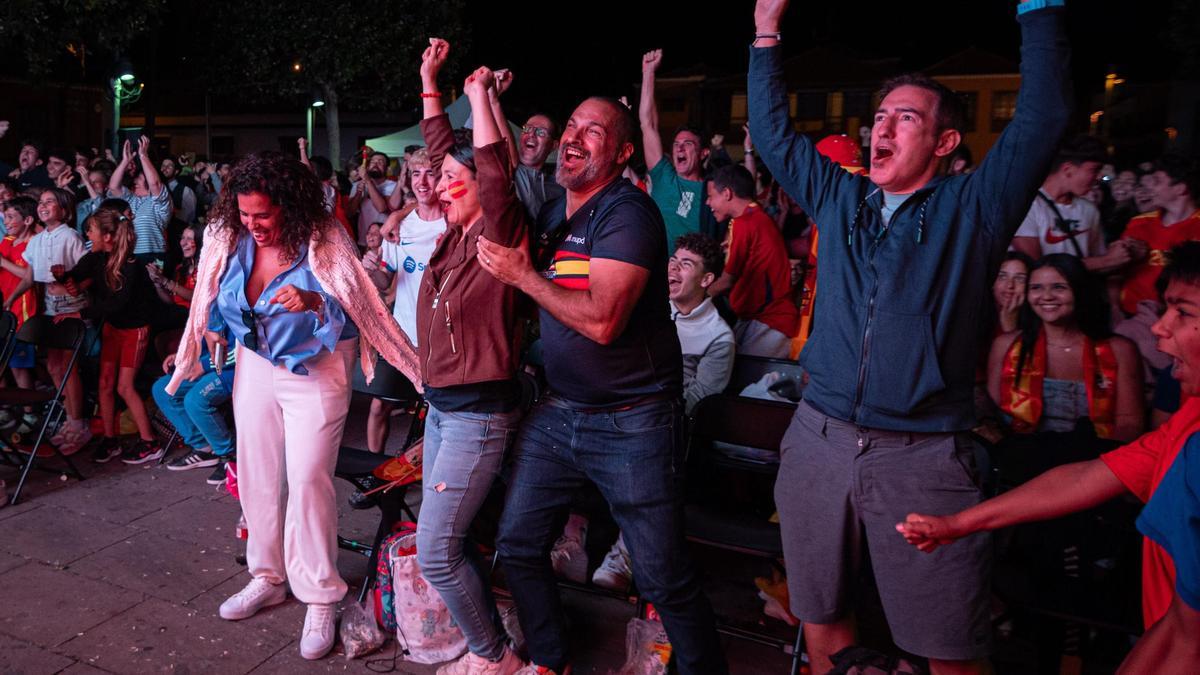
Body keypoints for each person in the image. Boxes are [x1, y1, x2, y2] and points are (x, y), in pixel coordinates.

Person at [747, 0, 1072, 671]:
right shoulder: (841, 198)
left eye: (906, 118)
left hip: (921, 455)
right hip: (820, 437)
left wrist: (1040, 13)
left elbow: (1042, 119)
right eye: (881, 116)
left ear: (945, 143)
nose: (882, 128)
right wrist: (766, 32)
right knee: (823, 616)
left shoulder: (971, 208)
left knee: (946, 645)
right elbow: (774, 138)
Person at [478, 92, 728, 672]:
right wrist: (482, 98)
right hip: (564, 410)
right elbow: (497, 176)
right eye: (571, 125)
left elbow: (603, 320)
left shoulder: (628, 213)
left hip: (634, 418)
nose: (574, 136)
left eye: (592, 131)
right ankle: (550, 656)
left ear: (619, 152)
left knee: (663, 577)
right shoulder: (553, 214)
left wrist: (525, 279)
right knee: (516, 544)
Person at [163, 151, 420, 661]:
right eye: (245, 213)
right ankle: (268, 576)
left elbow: (358, 308)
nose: (253, 225)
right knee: (257, 471)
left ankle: (321, 594)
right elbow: (212, 290)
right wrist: (208, 326)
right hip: (257, 363)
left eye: (264, 214)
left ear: (291, 206)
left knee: (306, 477)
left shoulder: (323, 239)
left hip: (318, 365)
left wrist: (315, 303)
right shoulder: (228, 235)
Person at [898, 241, 1200, 673]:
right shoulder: (1189, 419)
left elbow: (1187, 640)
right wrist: (958, 524)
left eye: (1183, 312)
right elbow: (1084, 478)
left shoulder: (1118, 354)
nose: (1158, 327)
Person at [409, 41, 528, 674]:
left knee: (435, 551)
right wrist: (430, 80)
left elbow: (488, 165)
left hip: (478, 415)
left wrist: (480, 98)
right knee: (452, 543)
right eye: (443, 177)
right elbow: (443, 153)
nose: (445, 182)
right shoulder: (457, 229)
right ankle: (486, 636)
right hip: (444, 411)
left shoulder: (499, 229)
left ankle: (495, 658)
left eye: (461, 179)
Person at [587, 232, 738, 594]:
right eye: (674, 260)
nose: (673, 268)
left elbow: (703, 398)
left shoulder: (719, 336)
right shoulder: (649, 307)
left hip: (668, 425)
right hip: (622, 405)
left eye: (686, 264)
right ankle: (575, 539)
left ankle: (624, 555)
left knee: (648, 458)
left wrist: (647, 407)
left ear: (706, 280)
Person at [988, 254, 1143, 443]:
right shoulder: (1006, 346)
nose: (1046, 296)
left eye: (1059, 287)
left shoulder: (1120, 350)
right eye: (1036, 288)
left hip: (1094, 459)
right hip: (1023, 454)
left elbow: (1129, 424)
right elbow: (992, 417)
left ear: (1080, 291)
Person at [58, 210, 164, 464]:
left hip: (134, 330)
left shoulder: (131, 266)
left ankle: (151, 442)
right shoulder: (95, 258)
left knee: (123, 387)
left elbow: (117, 305)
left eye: (91, 230)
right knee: (105, 384)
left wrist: (79, 313)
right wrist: (63, 276)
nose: (87, 235)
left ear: (107, 236)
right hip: (113, 328)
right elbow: (76, 275)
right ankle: (110, 438)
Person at [366, 147, 445, 455]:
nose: (423, 182)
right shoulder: (400, 226)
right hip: (402, 336)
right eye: (416, 174)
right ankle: (375, 473)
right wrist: (374, 272)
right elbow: (388, 280)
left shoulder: (453, 225)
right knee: (378, 406)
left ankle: (426, 482)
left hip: (438, 341)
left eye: (430, 174)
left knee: (434, 417)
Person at [4, 187, 91, 451]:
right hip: (48, 308)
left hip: (70, 308)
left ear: (63, 210)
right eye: (41, 202)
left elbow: (88, 274)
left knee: (68, 367)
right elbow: (30, 277)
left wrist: (69, 287)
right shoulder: (38, 241)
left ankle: (79, 424)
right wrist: (9, 300)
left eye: (50, 202)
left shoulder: (71, 236)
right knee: (54, 367)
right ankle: (68, 418)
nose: (43, 206)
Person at [704, 163, 798, 358]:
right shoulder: (756, 217)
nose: (707, 202)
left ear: (727, 194)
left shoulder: (745, 223)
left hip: (770, 321)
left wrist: (691, 300)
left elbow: (726, 281)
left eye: (711, 196)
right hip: (762, 320)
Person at [1010, 135, 1137, 274]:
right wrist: (1107, 260)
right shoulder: (1026, 206)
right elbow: (1037, 266)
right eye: (1094, 169)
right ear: (1067, 169)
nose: (1099, 177)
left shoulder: (1089, 209)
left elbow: (1099, 264)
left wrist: (1124, 252)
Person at [639, 49, 719, 248]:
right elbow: (648, 124)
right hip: (656, 272)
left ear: (704, 153)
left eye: (688, 144)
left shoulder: (713, 191)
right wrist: (648, 73)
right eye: (676, 144)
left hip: (691, 275)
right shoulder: (663, 176)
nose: (679, 148)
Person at [1117, 154, 1200, 317]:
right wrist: (1115, 310)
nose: (1150, 188)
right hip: (1133, 315)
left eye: (1157, 181)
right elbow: (1116, 274)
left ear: (1180, 188)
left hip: (1182, 319)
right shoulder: (1138, 224)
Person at [0, 196, 41, 434]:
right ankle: (5, 408)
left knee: (19, 365)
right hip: (5, 309)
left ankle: (30, 415)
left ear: (27, 220)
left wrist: (3, 263)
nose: (7, 222)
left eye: (11, 217)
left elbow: (28, 275)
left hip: (24, 310)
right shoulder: (8, 241)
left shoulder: (33, 243)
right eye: (5, 217)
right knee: (4, 362)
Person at [108, 137, 171, 266]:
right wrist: (125, 161)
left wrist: (143, 156)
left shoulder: (159, 202)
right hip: (129, 255)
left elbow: (155, 184)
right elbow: (113, 187)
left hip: (153, 255)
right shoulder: (131, 199)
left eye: (139, 178)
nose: (135, 181)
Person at [513, 113, 565, 220]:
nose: (531, 134)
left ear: (554, 145)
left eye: (541, 132)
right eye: (527, 128)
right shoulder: (503, 166)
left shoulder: (558, 191)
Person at [349, 151, 395, 246]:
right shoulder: (357, 185)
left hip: (386, 241)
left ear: (387, 168)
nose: (375, 164)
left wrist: (367, 180)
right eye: (372, 162)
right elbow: (350, 212)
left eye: (380, 162)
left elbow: (381, 208)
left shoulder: (393, 186)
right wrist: (358, 193)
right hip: (364, 240)